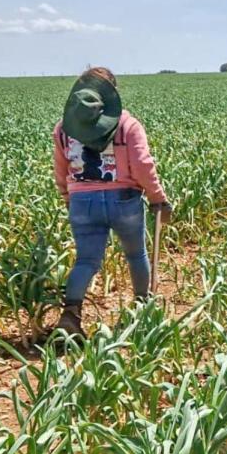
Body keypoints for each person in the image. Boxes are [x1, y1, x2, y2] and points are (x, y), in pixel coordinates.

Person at [53, 67, 172, 336]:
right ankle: (142, 308)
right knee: (135, 254)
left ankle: (71, 314)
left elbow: (60, 168)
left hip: (82, 200)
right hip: (124, 200)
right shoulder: (127, 125)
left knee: (86, 260)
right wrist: (157, 198)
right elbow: (142, 165)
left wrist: (66, 196)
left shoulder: (63, 129)